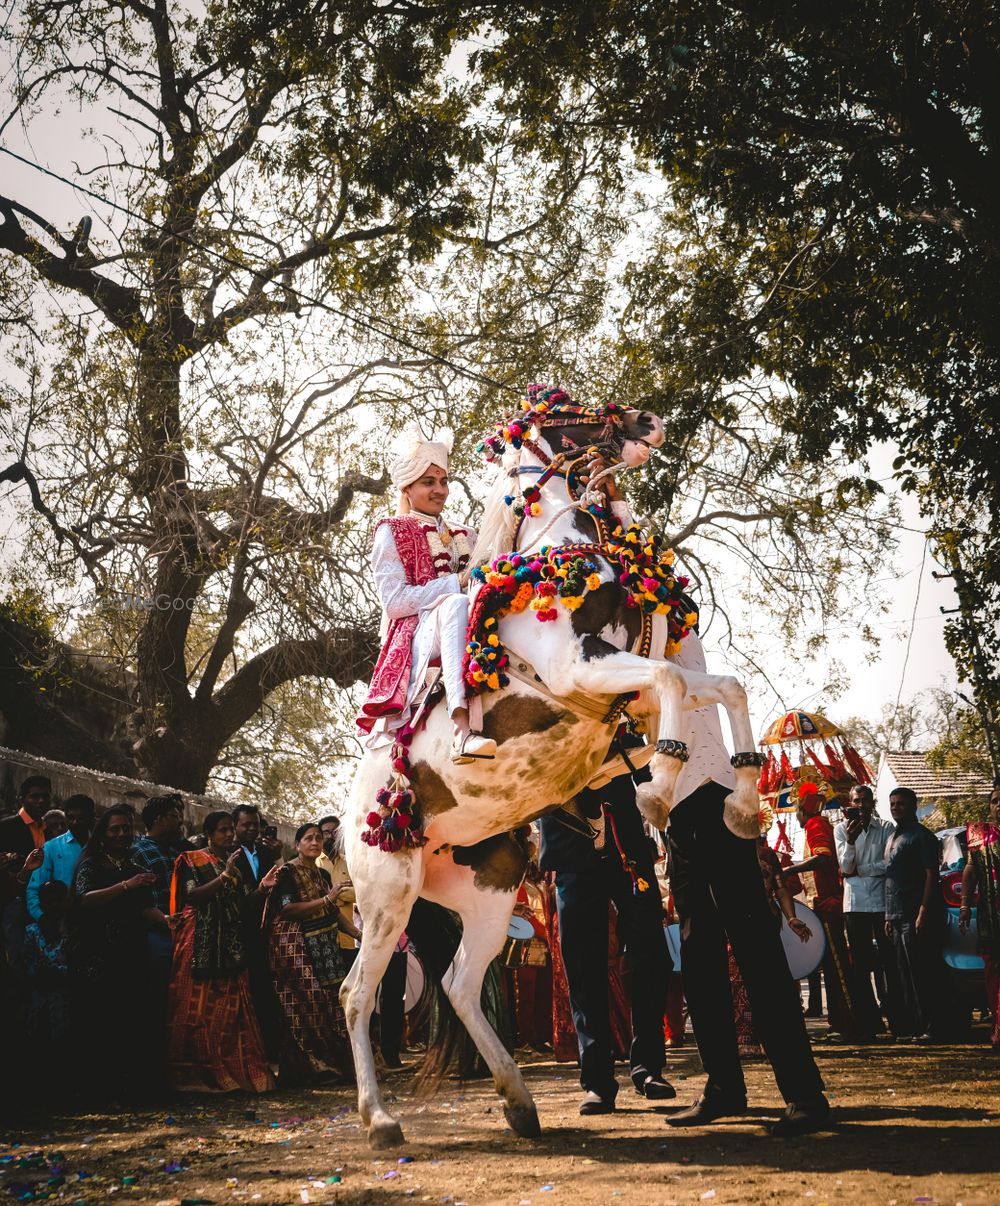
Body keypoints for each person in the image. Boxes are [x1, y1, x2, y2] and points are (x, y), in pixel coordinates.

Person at [664, 631, 830, 1137]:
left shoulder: (675, 631)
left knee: (755, 945)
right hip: (673, 810)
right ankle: (724, 1088)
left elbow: (672, 685)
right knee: (697, 953)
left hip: (718, 799)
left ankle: (804, 1093)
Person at [356, 424, 496, 764]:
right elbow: (395, 603)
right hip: (417, 633)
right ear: (407, 487)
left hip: (469, 622)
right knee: (456, 604)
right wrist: (456, 584)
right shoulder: (391, 530)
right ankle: (462, 728)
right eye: (429, 482)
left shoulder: (466, 533)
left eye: (444, 481)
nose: (440, 490)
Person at [539, 767, 675, 1115]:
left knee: (653, 955)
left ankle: (648, 1068)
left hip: (626, 847)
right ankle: (598, 1082)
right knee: (584, 967)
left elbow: (643, 765)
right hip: (571, 847)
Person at [168, 810, 277, 1093]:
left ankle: (232, 1070)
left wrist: (262, 889)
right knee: (197, 1009)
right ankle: (195, 1075)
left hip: (230, 944)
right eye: (222, 831)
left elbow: (243, 906)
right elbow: (192, 896)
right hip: (199, 941)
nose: (229, 835)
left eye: (231, 830)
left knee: (230, 1011)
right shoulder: (190, 859)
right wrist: (223, 876)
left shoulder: (236, 866)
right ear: (209, 834)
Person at [68, 803, 164, 1103]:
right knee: (98, 1021)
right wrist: (125, 885)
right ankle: (96, 1091)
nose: (122, 834)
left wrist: (169, 921)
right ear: (103, 834)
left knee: (131, 1019)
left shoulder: (137, 869)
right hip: (95, 954)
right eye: (115, 829)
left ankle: (130, 1090)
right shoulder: (91, 864)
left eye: (126, 829)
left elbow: (146, 908)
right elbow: (85, 900)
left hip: (130, 952)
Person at [263, 822, 359, 1084]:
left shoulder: (322, 875)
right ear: (297, 844)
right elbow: (288, 910)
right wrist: (327, 899)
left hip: (325, 948)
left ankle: (337, 1066)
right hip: (297, 949)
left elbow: (332, 912)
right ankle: (314, 1069)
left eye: (318, 838)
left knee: (333, 1002)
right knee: (307, 1004)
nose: (315, 842)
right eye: (308, 838)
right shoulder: (287, 873)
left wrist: (358, 934)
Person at [786, 783, 858, 1039]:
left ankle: (848, 1024)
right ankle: (840, 1022)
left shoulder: (816, 825)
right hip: (825, 904)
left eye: (796, 809)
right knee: (833, 965)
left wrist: (788, 870)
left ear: (803, 810)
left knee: (837, 966)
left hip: (829, 905)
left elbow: (824, 857)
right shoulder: (819, 825)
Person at [132, 793, 192, 1092]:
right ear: (158, 819)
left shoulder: (177, 851)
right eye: (174, 815)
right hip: (157, 935)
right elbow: (140, 901)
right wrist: (165, 921)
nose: (180, 820)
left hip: (183, 934)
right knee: (156, 1003)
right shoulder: (140, 851)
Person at [834, 783, 901, 1037]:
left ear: (872, 803)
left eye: (865, 801)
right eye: (856, 801)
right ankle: (868, 1023)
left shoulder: (886, 828)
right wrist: (851, 843)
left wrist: (862, 869)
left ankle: (897, 1019)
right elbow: (845, 867)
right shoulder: (840, 830)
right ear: (850, 804)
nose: (861, 806)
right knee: (860, 966)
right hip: (855, 905)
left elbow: (888, 864)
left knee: (889, 962)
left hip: (883, 903)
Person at [884, 786, 944, 1041]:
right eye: (893, 804)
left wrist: (923, 911)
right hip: (896, 915)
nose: (896, 808)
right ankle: (915, 1028)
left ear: (913, 806)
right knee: (904, 975)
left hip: (915, 914)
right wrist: (888, 914)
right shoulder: (893, 837)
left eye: (901, 804)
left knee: (923, 973)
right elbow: (891, 877)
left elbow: (932, 874)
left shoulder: (922, 836)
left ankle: (934, 1028)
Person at [230, 804, 283, 1059]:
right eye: (246, 824)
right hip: (240, 928)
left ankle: (269, 1048)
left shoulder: (266, 852)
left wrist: (277, 856)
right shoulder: (229, 855)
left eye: (255, 824)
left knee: (266, 989)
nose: (252, 829)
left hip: (266, 929)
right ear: (235, 827)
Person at [960, 783, 1000, 1049]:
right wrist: (964, 906)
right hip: (991, 916)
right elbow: (971, 870)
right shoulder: (979, 833)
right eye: (995, 801)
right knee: (994, 973)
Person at [24, 879, 71, 1083]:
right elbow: (26, 964)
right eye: (48, 900)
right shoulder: (32, 932)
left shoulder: (72, 930)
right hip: (39, 996)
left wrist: (61, 974)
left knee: (65, 1039)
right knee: (38, 1038)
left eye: (57, 899)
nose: (53, 904)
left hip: (66, 996)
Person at [26, 794, 96, 920]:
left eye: (81, 818)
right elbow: (34, 889)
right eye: (71, 818)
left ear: (91, 818)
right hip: (60, 922)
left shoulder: (101, 846)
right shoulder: (51, 848)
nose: (75, 822)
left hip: (95, 918)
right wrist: (41, 918)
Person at [316, 814, 357, 969]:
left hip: (351, 937)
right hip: (323, 938)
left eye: (335, 832)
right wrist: (340, 894)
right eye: (326, 833)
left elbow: (362, 893)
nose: (331, 836)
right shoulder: (313, 863)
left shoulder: (352, 862)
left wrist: (334, 895)